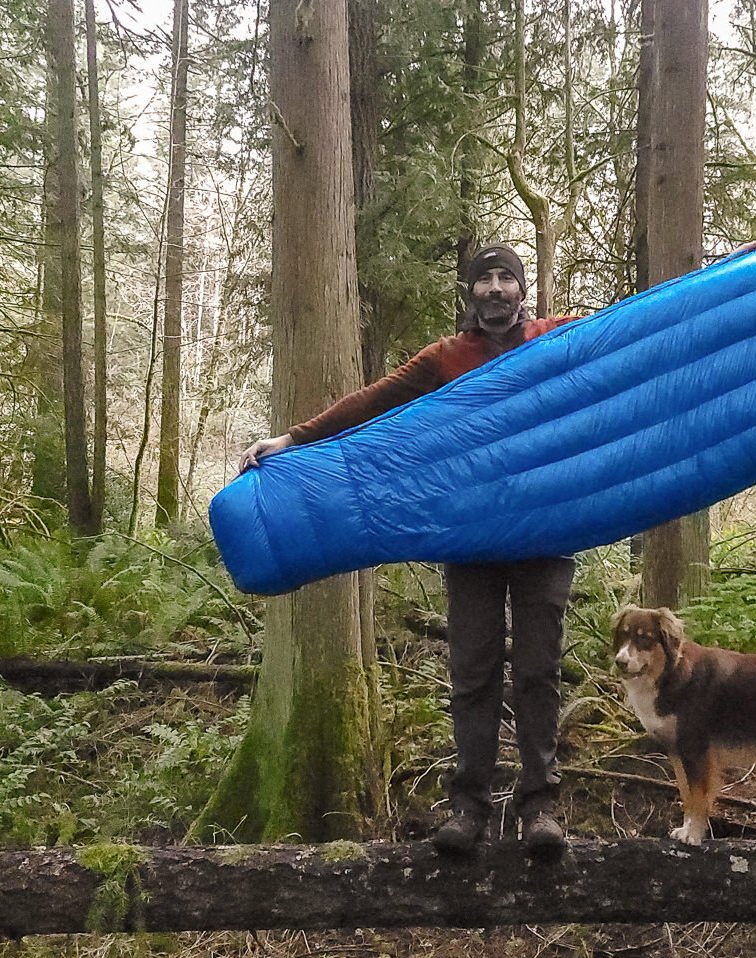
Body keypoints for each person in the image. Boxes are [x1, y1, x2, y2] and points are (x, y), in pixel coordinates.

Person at [239, 244, 581, 860]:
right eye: (486, 280)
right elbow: (374, 400)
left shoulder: (554, 337)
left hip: (543, 536)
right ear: (469, 292)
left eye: (507, 278)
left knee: (537, 672)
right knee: (473, 673)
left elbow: (643, 324)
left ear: (522, 290)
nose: (497, 289)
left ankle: (540, 807)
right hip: (472, 541)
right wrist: (293, 438)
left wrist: (721, 276)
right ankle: (469, 807)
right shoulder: (447, 358)